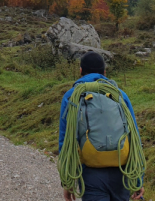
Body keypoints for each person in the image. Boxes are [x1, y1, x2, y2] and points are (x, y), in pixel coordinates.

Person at [58, 51, 144, 201]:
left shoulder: (72, 96)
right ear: (104, 72)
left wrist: (68, 183)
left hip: (91, 174)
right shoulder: (119, 95)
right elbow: (134, 136)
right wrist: (138, 181)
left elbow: (65, 142)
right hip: (121, 173)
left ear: (80, 71)